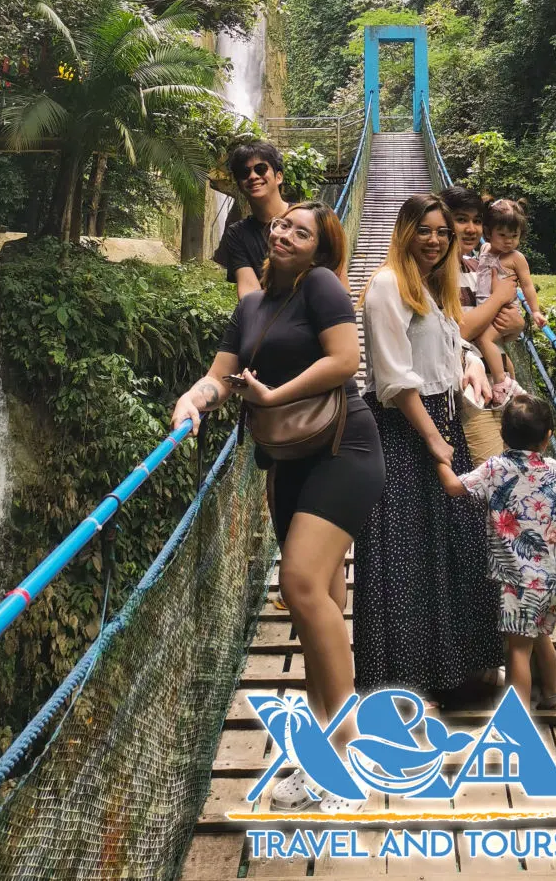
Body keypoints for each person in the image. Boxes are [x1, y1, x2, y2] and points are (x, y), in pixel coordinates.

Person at [171, 201, 385, 812]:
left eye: (301, 230)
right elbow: (220, 378)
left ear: (319, 249)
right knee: (319, 599)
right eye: (280, 225)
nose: (284, 232)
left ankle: (347, 756)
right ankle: (324, 752)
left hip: (344, 447)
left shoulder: (321, 286)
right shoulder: (248, 309)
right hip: (286, 460)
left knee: (297, 582)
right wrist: (195, 397)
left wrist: (272, 395)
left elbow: (346, 362)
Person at [352, 193, 503, 698]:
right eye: (426, 230)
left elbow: (443, 344)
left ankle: (458, 667)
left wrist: (472, 361)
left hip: (441, 423)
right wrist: (437, 441)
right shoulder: (386, 286)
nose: (436, 240)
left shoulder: (432, 286)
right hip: (404, 432)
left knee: (455, 542)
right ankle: (402, 678)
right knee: (405, 553)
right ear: (405, 231)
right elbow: (395, 380)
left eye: (443, 231)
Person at [436, 393, 556, 713]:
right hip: (548, 575)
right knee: (540, 637)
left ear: (501, 434)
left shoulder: (496, 468)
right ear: (547, 437)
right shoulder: (554, 469)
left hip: (515, 579)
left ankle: (517, 718)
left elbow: (455, 487)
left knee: (517, 650)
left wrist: (439, 458)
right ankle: (552, 696)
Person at [442, 183, 524, 464]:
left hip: (499, 379)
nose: (471, 228)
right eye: (461, 219)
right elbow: (461, 330)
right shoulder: (436, 273)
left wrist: (517, 325)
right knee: (497, 476)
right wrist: (498, 298)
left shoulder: (480, 268)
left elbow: (499, 322)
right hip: (468, 392)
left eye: (477, 221)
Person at [213, 140, 290, 296]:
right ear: (239, 184)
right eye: (244, 173)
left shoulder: (311, 218)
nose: (253, 176)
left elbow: (337, 281)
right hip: (269, 317)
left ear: (279, 176)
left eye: (260, 169)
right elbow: (249, 295)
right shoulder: (237, 234)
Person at [474, 198, 547, 329]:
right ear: (488, 232)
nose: (508, 241)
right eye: (502, 235)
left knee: (484, 340)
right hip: (484, 310)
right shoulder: (484, 249)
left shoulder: (516, 258)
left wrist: (535, 311)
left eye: (514, 236)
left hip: (504, 314)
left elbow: (527, 286)